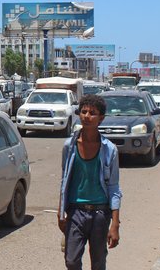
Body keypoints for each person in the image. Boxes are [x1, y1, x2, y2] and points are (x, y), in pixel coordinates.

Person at [58, 94, 122, 270]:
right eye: (83, 111)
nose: (86, 116)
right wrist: (60, 212)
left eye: (92, 113)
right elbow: (64, 181)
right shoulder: (69, 147)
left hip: (100, 213)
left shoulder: (109, 150)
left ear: (101, 118)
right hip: (76, 212)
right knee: (71, 260)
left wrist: (115, 224)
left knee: (98, 261)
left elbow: (114, 187)